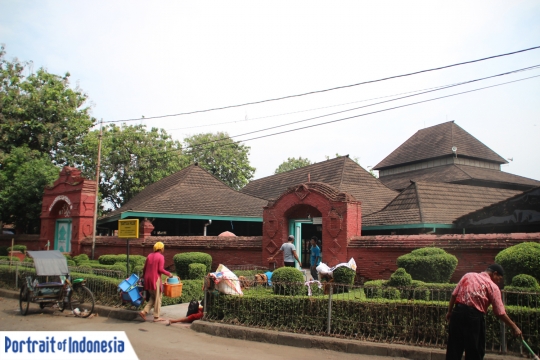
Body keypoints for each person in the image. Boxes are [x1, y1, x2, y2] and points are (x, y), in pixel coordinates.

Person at [446, 264, 522, 360]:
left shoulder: (468, 276)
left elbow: (454, 295)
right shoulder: (492, 286)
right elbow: (500, 312)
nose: (499, 281)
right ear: (495, 273)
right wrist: (514, 327)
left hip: (457, 313)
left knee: (454, 349)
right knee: (475, 351)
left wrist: (450, 312)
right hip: (474, 318)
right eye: (499, 278)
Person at [139, 241, 173, 322]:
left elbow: (144, 268)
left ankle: (144, 312)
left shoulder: (149, 255)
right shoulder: (160, 257)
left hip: (147, 279)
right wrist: (169, 274)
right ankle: (156, 317)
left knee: (153, 297)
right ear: (161, 248)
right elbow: (160, 269)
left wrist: (143, 276)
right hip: (155, 279)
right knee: (158, 297)